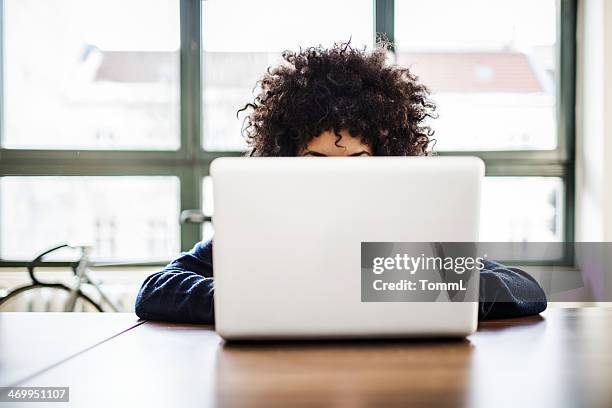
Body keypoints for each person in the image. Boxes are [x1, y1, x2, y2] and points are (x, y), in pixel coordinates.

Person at [135, 42, 547, 324]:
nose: (336, 175)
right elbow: (157, 289)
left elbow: (524, 289)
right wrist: (257, 299)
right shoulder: (261, 231)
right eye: (316, 160)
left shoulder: (406, 232)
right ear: (285, 157)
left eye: (357, 160)